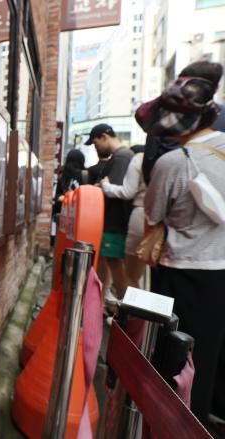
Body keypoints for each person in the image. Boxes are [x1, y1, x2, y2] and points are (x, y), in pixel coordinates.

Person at [140, 60, 225, 426]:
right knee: (212, 354)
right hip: (221, 270)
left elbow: (153, 213)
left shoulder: (172, 163)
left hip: (182, 271)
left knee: (179, 359)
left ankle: (178, 424)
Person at [85, 123, 134, 300]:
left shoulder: (122, 157)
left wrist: (102, 186)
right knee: (108, 262)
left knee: (116, 266)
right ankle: (102, 303)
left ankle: (124, 308)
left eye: (95, 143)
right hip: (112, 220)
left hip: (115, 221)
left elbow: (115, 189)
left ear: (104, 137)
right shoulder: (120, 156)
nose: (96, 147)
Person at [100, 145, 147, 289]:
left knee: (131, 275)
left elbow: (128, 192)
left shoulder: (138, 159)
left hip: (140, 215)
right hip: (164, 219)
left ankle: (130, 303)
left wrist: (106, 186)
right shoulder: (175, 157)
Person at [51, 150, 87, 247]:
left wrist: (65, 198)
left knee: (62, 242)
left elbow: (57, 196)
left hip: (63, 215)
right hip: (79, 216)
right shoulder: (85, 174)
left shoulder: (63, 175)